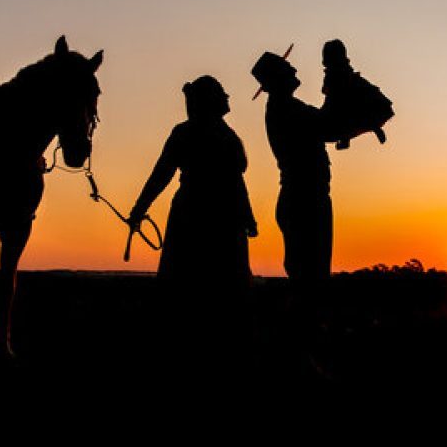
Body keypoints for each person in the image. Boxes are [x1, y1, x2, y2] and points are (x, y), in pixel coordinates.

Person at [128, 75, 257, 379]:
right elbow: (163, 173)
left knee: (195, 284)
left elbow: (163, 174)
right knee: (205, 285)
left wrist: (139, 209)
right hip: (209, 216)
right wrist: (140, 208)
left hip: (209, 215)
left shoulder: (203, 134)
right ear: (213, 101)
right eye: (222, 95)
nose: (228, 98)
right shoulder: (213, 136)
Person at [251, 52, 340, 374]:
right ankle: (293, 358)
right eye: (288, 68)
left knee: (308, 281)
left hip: (302, 198)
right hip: (305, 200)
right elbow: (329, 126)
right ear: (277, 79)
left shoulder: (285, 108)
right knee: (309, 284)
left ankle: (295, 355)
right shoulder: (287, 109)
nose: (295, 69)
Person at [320, 38, 394, 150]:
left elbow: (335, 99)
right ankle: (367, 127)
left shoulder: (334, 75)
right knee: (348, 113)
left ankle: (346, 137)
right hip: (354, 95)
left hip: (345, 100)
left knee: (341, 114)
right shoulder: (344, 72)